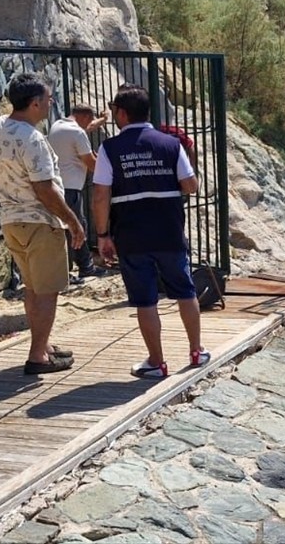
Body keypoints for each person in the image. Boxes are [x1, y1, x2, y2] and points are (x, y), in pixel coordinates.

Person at [91, 84, 208, 379]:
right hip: (169, 229)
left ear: (121, 112)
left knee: (145, 300)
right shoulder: (171, 144)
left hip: (131, 234)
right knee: (185, 290)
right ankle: (196, 351)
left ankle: (157, 362)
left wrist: (103, 235)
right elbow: (191, 186)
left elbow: (101, 196)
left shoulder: (109, 149)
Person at [0, 73, 84, 375]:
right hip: (39, 222)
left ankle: (44, 344)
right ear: (36, 103)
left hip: (11, 220)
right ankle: (38, 355)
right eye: (49, 99)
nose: (51, 103)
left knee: (32, 288)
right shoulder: (33, 138)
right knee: (47, 291)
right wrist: (73, 221)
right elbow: (44, 189)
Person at [47, 104, 114, 283]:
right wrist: (109, 166)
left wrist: (103, 119)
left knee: (71, 226)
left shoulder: (58, 126)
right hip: (71, 189)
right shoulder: (78, 133)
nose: (90, 126)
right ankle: (74, 271)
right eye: (90, 120)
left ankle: (84, 266)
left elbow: (88, 127)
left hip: (57, 187)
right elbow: (91, 163)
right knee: (74, 228)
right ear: (84, 117)